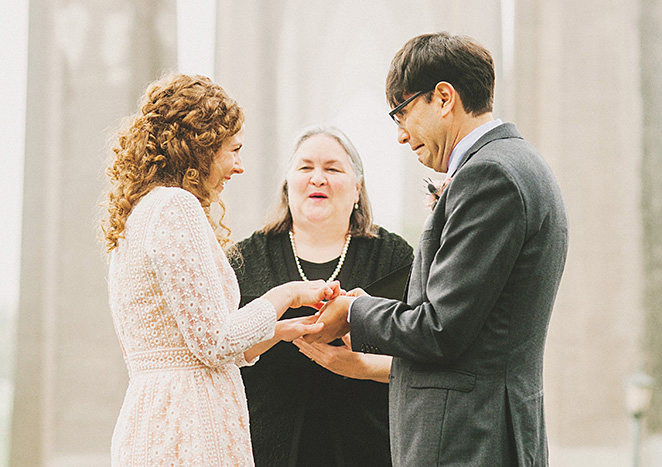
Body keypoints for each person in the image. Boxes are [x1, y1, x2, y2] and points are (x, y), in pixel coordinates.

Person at [306, 33, 569, 466]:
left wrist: (354, 313)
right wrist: (367, 306)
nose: (400, 136)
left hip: (467, 440)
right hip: (490, 432)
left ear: (444, 97)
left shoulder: (490, 178)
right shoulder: (520, 164)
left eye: (402, 113)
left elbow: (441, 329)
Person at [101, 74, 341, 467]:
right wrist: (289, 294)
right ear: (201, 147)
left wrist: (278, 332)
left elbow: (194, 347)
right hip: (189, 427)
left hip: (153, 419)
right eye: (233, 150)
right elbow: (215, 342)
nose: (239, 166)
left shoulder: (141, 213)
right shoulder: (176, 208)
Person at [231, 125, 414, 467]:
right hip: (266, 449)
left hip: (369, 449)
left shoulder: (394, 258)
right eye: (305, 168)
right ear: (288, 184)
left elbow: (420, 356)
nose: (318, 178)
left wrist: (360, 364)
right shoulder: (244, 258)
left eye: (332, 168)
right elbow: (222, 351)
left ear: (357, 188)